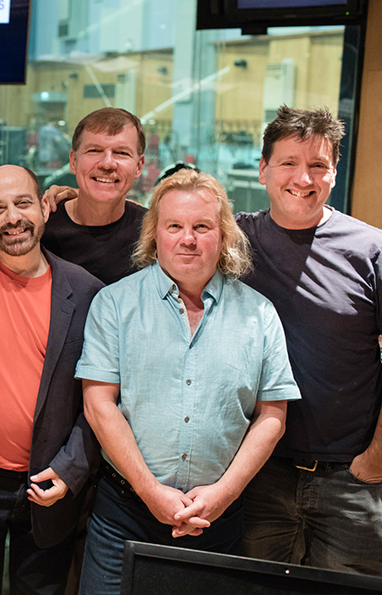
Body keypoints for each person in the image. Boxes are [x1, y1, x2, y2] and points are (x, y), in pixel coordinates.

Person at [78, 169, 300, 595]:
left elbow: (273, 415)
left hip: (218, 518)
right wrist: (150, 492)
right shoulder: (114, 305)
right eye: (174, 226)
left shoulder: (259, 314)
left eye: (202, 227)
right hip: (125, 513)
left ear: (223, 236)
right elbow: (98, 406)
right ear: (155, 235)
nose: (188, 238)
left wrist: (223, 494)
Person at [239, 106, 382, 575]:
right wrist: (69, 202)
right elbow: (167, 221)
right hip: (256, 473)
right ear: (263, 170)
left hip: (352, 480)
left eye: (318, 165)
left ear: (334, 173)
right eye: (288, 163)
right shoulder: (234, 239)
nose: (304, 177)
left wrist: (375, 460)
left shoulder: (371, 250)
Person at [0, 165, 103, 595]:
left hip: (50, 485)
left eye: (22, 204)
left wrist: (72, 469)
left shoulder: (87, 292)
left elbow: (104, 399)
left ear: (43, 208)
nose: (12, 217)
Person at [41, 108, 147, 285]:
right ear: (73, 161)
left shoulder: (153, 232)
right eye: (94, 150)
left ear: (139, 166)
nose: (107, 163)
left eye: (122, 153)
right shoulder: (41, 227)